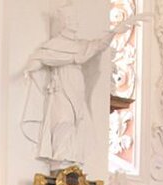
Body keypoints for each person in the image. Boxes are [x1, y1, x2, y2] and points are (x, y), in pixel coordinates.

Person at [21, 5, 143, 168]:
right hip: (60, 87)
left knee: (75, 122)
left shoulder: (81, 45)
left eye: (76, 19)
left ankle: (69, 159)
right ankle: (59, 161)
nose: (76, 22)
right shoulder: (55, 44)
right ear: (64, 22)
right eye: (72, 19)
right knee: (63, 121)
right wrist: (29, 70)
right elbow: (41, 58)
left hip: (76, 85)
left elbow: (99, 45)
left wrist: (115, 31)